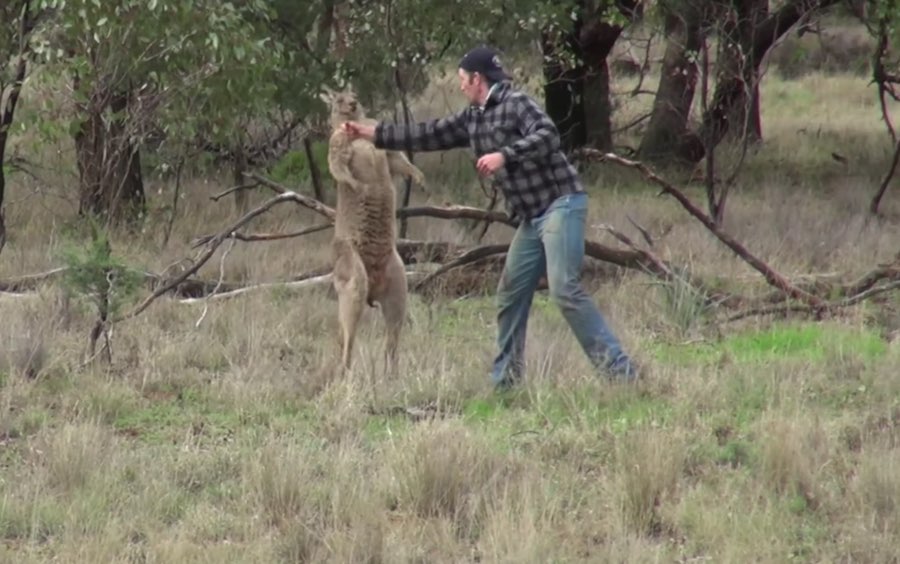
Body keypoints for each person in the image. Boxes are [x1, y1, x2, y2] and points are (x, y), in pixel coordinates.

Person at [341, 45, 638, 389]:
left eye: (463, 80)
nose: (461, 87)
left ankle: (622, 374)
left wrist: (504, 156)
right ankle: (506, 382)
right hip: (532, 217)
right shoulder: (473, 117)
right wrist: (371, 134)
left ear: (478, 79)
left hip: (561, 204)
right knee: (511, 294)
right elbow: (429, 133)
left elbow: (548, 136)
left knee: (564, 289)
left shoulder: (516, 104)